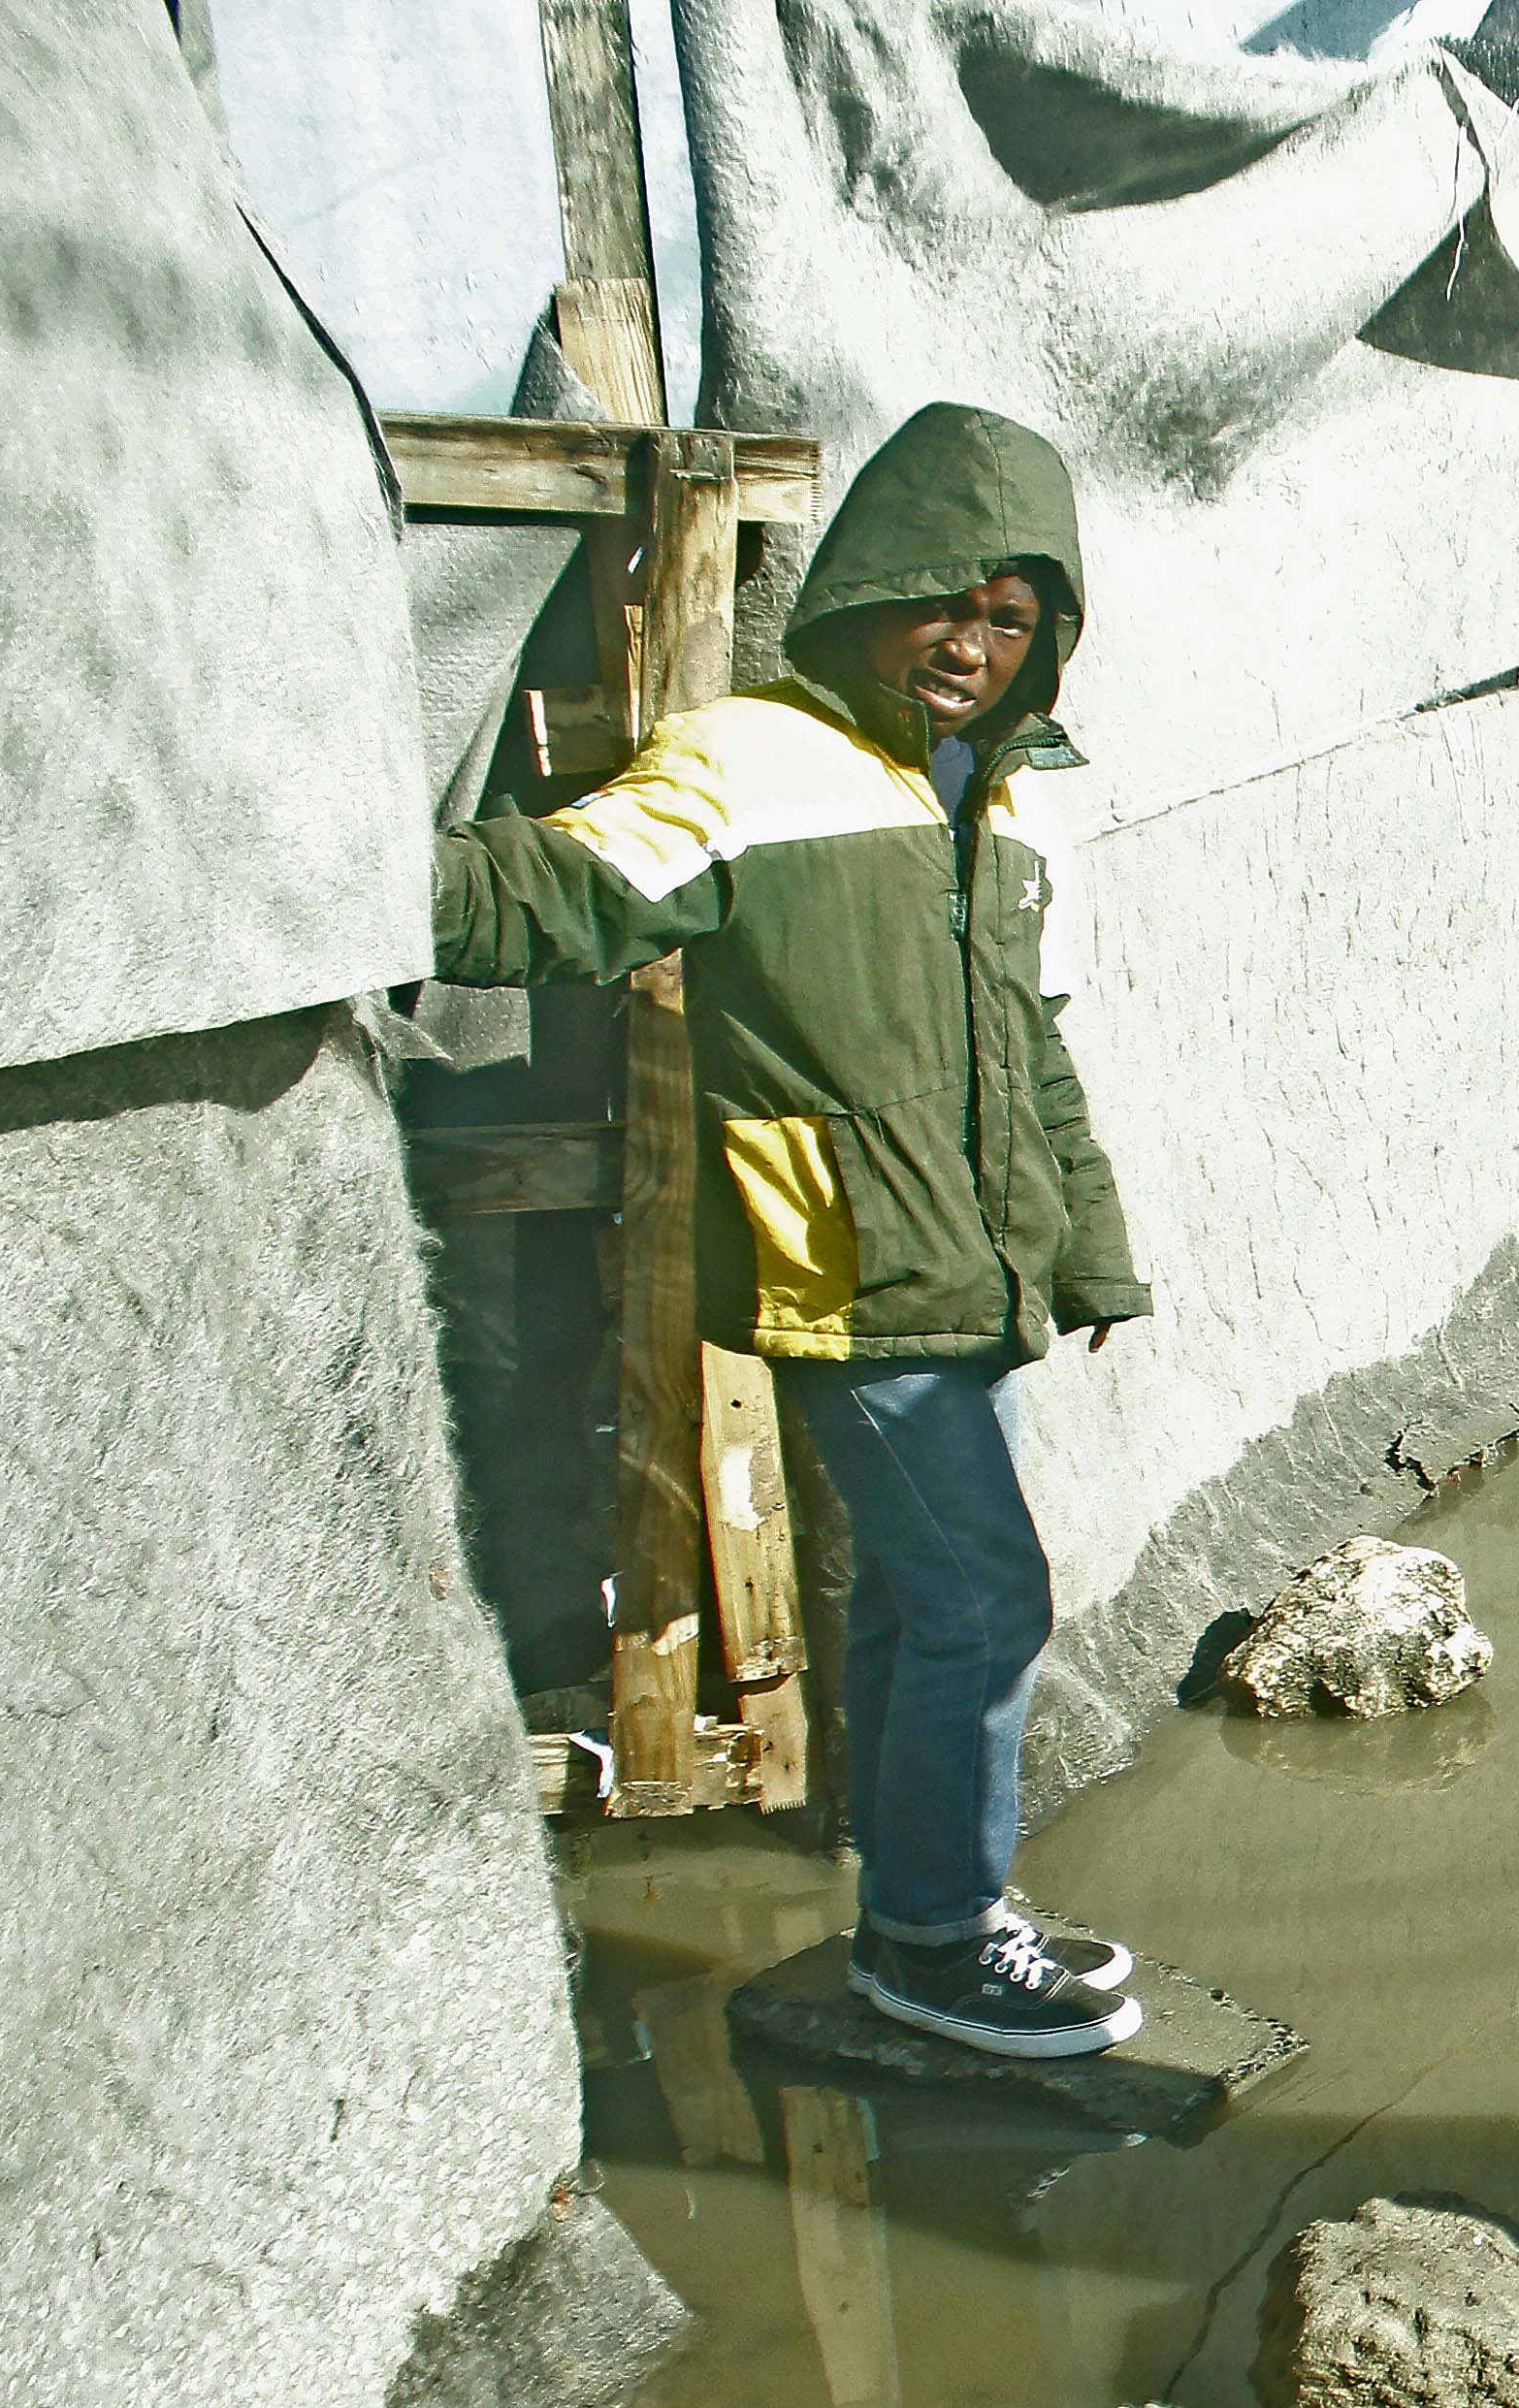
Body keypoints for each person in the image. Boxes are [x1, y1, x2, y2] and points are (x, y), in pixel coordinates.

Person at [436, 402, 1151, 2060]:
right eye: (942, 604)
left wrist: (1089, 1249)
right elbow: (561, 894)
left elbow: (1033, 1047)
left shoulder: (1023, 802)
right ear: (872, 590)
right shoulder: (752, 758)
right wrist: (345, 872)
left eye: (1010, 621)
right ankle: (937, 1941)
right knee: (986, 1597)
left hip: (977, 1261)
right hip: (840, 1256)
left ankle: (923, 1903)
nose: (968, 646)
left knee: (915, 1601)